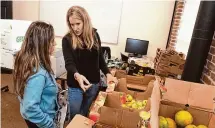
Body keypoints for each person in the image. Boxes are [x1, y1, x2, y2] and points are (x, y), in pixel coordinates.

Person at [62, 6, 117, 120]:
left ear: (85, 21)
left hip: (93, 84)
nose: (75, 28)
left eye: (78, 23)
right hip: (76, 85)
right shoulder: (67, 39)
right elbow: (69, 63)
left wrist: (108, 73)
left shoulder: (94, 35)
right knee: (75, 116)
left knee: (86, 113)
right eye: (72, 25)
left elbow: (100, 58)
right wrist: (77, 75)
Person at [13, 21, 58, 128]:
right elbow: (30, 109)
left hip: (33, 118)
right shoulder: (39, 73)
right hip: (41, 121)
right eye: (52, 41)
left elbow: (27, 92)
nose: (55, 44)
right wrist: (50, 125)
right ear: (43, 44)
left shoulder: (29, 62)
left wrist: (51, 85)